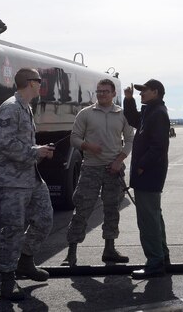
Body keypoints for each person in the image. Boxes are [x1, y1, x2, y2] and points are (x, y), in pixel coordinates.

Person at [0, 68, 55, 302]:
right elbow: (3, 142)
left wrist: (38, 152)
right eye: (39, 81)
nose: (41, 84)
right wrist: (35, 151)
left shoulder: (26, 107)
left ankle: (26, 261)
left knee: (45, 218)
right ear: (30, 83)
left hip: (30, 177)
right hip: (11, 181)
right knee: (13, 230)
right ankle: (7, 283)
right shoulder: (10, 107)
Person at [62, 78, 135, 266]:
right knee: (82, 209)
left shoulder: (122, 115)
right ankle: (71, 252)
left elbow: (129, 140)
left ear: (113, 94)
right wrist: (88, 146)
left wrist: (119, 160)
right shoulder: (85, 114)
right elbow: (74, 138)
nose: (101, 94)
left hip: (114, 169)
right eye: (99, 91)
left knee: (112, 209)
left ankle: (109, 250)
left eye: (105, 91)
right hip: (91, 169)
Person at [123, 79, 171, 279]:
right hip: (148, 173)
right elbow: (133, 119)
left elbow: (158, 146)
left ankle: (154, 263)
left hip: (149, 173)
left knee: (148, 220)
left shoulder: (158, 113)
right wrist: (128, 99)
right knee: (153, 216)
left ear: (156, 92)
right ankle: (162, 258)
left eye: (145, 91)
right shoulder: (151, 110)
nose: (141, 93)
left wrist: (141, 166)